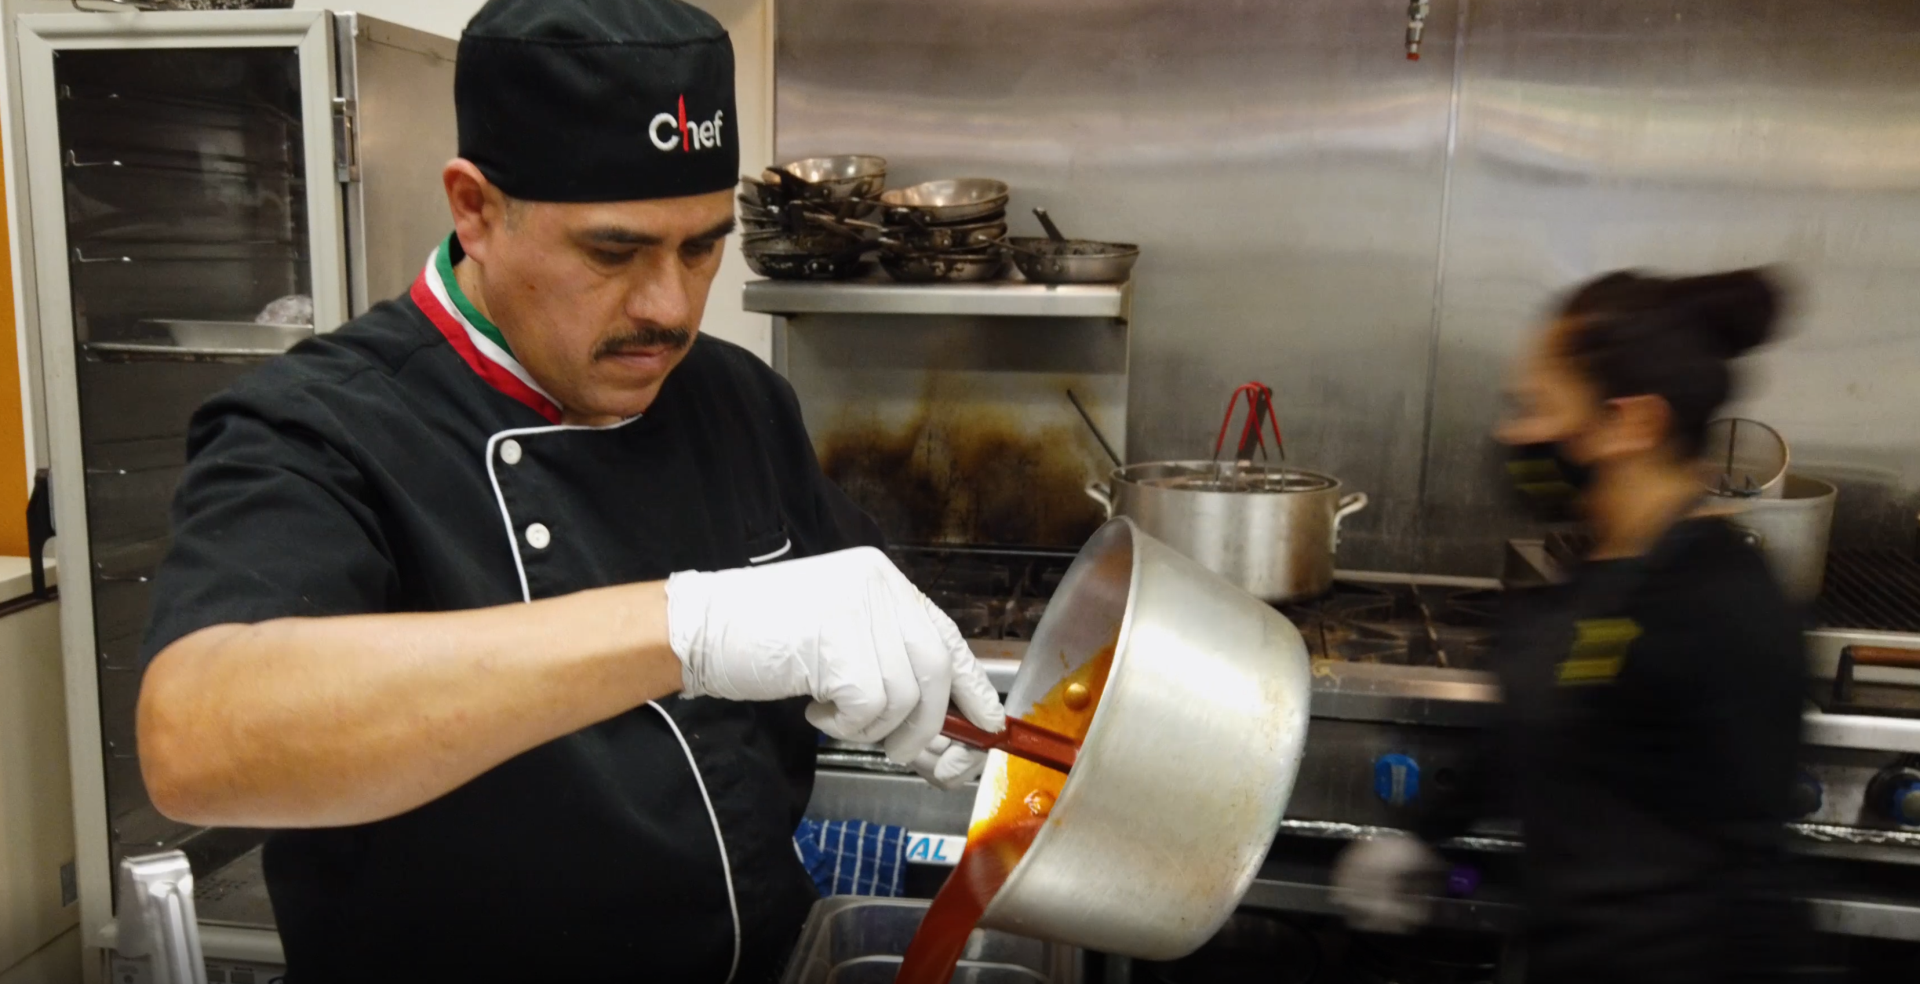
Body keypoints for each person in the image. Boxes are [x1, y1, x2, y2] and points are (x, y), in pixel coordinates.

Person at [132, 1, 1005, 980]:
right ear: (475, 208)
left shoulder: (736, 398)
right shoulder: (320, 425)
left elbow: (833, 635)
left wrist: (926, 693)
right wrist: (690, 629)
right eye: (612, 252)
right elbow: (196, 738)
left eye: (700, 247)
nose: (669, 309)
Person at [1332, 269, 1816, 982]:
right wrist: (1426, 835)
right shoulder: (1603, 566)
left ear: (1631, 424)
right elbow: (1557, 723)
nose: (1512, 432)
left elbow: (1746, 885)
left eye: (1535, 406)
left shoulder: (1724, 607)